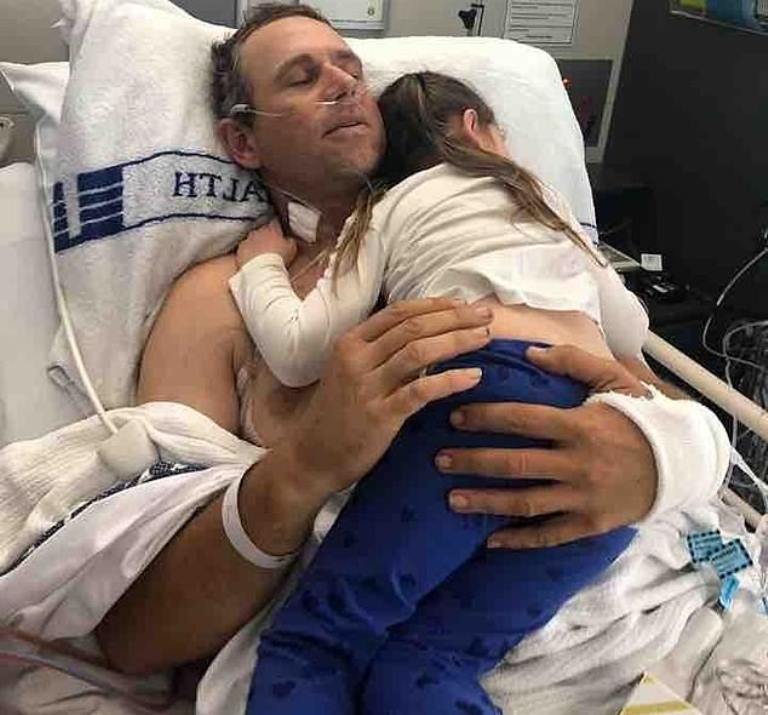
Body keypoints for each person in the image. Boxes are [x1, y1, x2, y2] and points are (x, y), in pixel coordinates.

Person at [93, 3, 716, 691]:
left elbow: (650, 391)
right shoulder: (220, 299)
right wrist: (307, 462)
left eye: (350, 68)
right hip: (394, 664)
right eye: (303, 77)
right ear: (243, 141)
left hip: (651, 637)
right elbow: (137, 636)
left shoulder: (502, 245)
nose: (343, 83)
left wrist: (669, 458)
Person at [232, 71, 646, 714]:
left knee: (317, 644)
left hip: (479, 397)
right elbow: (631, 329)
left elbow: (296, 352)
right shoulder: (539, 195)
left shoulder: (389, 207)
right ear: (476, 128)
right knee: (434, 657)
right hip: (606, 443)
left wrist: (259, 263)